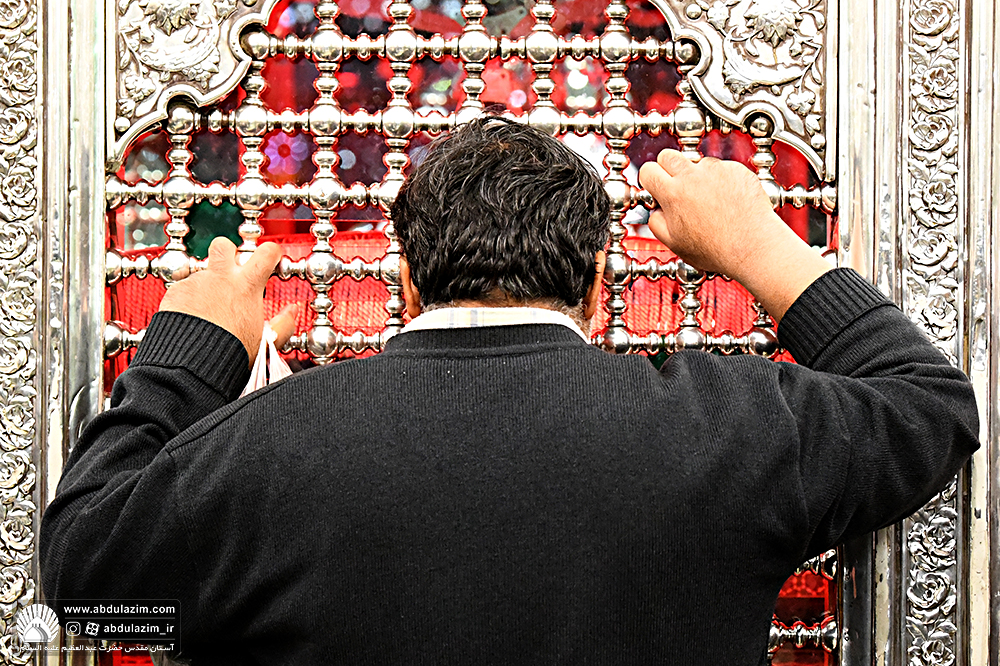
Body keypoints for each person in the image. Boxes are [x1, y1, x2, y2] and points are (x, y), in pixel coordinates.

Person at [40, 118, 979, 665]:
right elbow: (929, 406)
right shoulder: (730, 428)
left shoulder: (270, 445)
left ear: (407, 283)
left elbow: (88, 590)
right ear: (601, 287)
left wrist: (191, 353)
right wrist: (758, 244)